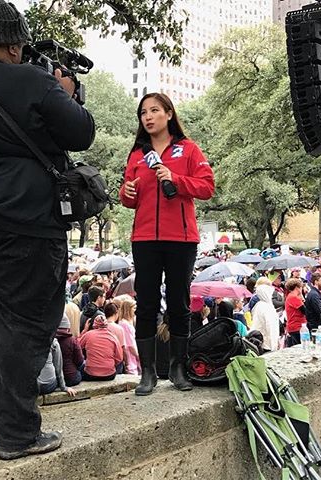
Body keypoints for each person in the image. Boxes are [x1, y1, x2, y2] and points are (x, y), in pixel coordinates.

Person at [0, 0, 95, 460]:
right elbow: (81, 133)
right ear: (13, 44)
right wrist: (62, 91)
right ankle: (16, 432)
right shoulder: (34, 80)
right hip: (25, 219)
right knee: (25, 321)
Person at [119, 92, 214, 395]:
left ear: (169, 114)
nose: (147, 117)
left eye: (154, 110)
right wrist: (128, 192)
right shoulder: (137, 154)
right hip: (144, 238)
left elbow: (207, 187)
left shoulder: (188, 150)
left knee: (179, 304)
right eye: (143, 112)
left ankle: (178, 367)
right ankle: (147, 372)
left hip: (181, 239)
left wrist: (175, 177)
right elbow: (127, 198)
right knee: (145, 303)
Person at [79, 314, 123, 381]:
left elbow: (77, 345)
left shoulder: (88, 334)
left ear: (94, 324)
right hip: (109, 375)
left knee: (81, 364)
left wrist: (84, 330)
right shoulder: (113, 337)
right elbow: (119, 358)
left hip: (90, 374)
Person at [55, 314, 84, 387]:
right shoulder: (72, 340)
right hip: (71, 377)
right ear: (67, 327)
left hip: (55, 378)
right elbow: (79, 360)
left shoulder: (51, 340)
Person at [249, 285, 280, 353]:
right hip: (267, 343)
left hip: (261, 341)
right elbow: (270, 326)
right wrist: (274, 344)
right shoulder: (266, 307)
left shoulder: (259, 305)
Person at [284, 278, 307, 346]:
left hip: (295, 326)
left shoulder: (290, 296)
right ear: (297, 287)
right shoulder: (294, 297)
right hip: (297, 326)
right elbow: (305, 311)